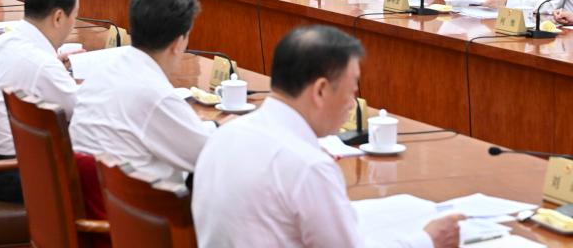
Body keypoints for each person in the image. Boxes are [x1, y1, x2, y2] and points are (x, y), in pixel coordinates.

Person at [192, 25, 463, 248]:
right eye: (352, 89)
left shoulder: (225, 134)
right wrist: (427, 241)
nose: (353, 103)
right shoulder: (308, 165)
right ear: (320, 90)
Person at [68, 0, 216, 185]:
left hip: (93, 193)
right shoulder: (155, 95)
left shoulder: (104, 69)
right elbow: (209, 157)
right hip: (135, 202)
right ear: (178, 43)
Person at [0, 0, 80, 202]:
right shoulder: (42, 64)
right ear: (59, 17)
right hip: (17, 176)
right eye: (75, 17)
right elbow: (82, 112)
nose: (73, 25)